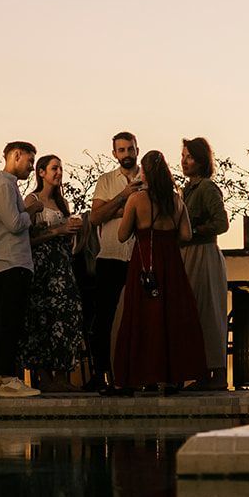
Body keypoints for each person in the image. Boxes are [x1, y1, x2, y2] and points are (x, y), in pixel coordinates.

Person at [113, 149, 205, 392]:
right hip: (171, 264)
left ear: (145, 172)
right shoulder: (177, 200)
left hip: (145, 263)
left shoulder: (136, 200)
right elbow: (186, 234)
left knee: (143, 317)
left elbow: (122, 235)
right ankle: (172, 376)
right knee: (171, 317)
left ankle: (146, 377)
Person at [0, 140, 42, 397]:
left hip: (5, 264)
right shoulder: (4, 185)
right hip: (10, 263)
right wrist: (32, 210)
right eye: (30, 161)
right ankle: (7, 379)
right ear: (16, 155)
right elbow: (15, 223)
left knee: (2, 323)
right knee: (9, 324)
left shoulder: (5, 186)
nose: (31, 167)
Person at [22, 154, 85, 393]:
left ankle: (62, 376)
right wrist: (57, 230)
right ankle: (45, 377)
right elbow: (27, 237)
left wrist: (74, 232)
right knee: (43, 317)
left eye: (61, 168)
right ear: (41, 172)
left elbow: (68, 235)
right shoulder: (33, 200)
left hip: (63, 264)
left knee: (69, 313)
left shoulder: (63, 204)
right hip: (42, 266)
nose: (59, 172)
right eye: (54, 168)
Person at [88, 131, 143, 392]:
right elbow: (96, 217)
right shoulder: (106, 181)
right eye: (121, 150)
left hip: (140, 257)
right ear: (114, 154)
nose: (126, 154)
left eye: (130, 149)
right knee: (104, 320)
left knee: (141, 318)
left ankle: (141, 375)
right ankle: (102, 374)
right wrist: (123, 198)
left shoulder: (149, 179)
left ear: (137, 150)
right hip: (110, 257)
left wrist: (118, 212)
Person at [180, 136, 230, 390]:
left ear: (201, 160)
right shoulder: (186, 190)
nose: (184, 161)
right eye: (183, 156)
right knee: (195, 314)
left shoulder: (207, 188)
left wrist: (194, 231)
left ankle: (218, 373)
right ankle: (201, 372)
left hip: (204, 253)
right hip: (188, 254)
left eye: (189, 156)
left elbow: (222, 223)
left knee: (210, 312)